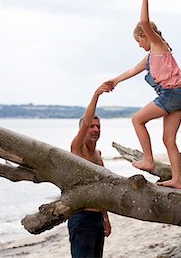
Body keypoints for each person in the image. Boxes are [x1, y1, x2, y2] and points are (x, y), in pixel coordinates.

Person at [106, 0, 181, 189]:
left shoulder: (158, 45)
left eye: (138, 40)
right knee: (169, 140)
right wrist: (115, 81)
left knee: (137, 120)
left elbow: (144, 22)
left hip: (170, 95)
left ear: (145, 36)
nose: (139, 45)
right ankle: (177, 179)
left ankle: (148, 159)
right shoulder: (152, 56)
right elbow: (134, 69)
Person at [68, 82, 113, 258]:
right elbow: (86, 121)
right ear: (83, 130)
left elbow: (101, 189)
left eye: (98, 126)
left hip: (97, 220)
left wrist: (106, 218)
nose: (95, 129)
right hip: (81, 218)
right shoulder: (78, 149)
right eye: (91, 126)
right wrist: (96, 95)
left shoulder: (98, 155)